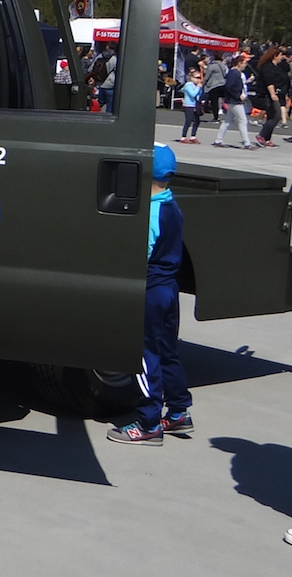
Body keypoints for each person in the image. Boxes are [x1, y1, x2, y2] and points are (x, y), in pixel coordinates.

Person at [107, 144, 192, 446]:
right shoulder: (171, 205)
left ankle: (149, 423)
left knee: (144, 358)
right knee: (168, 350)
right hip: (169, 289)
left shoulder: (150, 213)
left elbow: (139, 256)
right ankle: (179, 411)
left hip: (151, 290)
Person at [213, 54, 259, 149]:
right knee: (243, 120)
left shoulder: (235, 73)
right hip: (234, 101)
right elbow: (229, 86)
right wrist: (238, 95)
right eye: (244, 63)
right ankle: (247, 143)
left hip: (232, 100)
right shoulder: (234, 73)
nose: (245, 65)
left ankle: (218, 139)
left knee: (228, 121)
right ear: (239, 63)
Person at [253, 45, 285, 147]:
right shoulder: (268, 67)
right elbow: (269, 82)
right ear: (275, 56)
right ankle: (261, 135)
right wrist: (272, 94)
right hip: (268, 95)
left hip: (277, 93)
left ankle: (267, 139)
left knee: (271, 116)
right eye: (280, 55)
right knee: (277, 116)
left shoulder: (276, 67)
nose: (282, 57)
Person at [178, 68, 203, 143]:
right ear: (192, 78)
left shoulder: (196, 85)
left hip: (194, 105)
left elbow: (198, 95)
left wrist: (200, 89)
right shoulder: (188, 85)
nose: (198, 79)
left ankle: (193, 136)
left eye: (200, 78)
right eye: (197, 78)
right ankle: (183, 137)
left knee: (197, 121)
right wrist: (198, 87)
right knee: (188, 121)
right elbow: (193, 94)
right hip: (188, 105)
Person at [203, 52, 228, 122]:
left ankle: (215, 117)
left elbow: (207, 77)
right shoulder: (223, 66)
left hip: (214, 85)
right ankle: (230, 113)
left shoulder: (212, 66)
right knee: (225, 100)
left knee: (214, 102)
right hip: (223, 84)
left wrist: (203, 84)